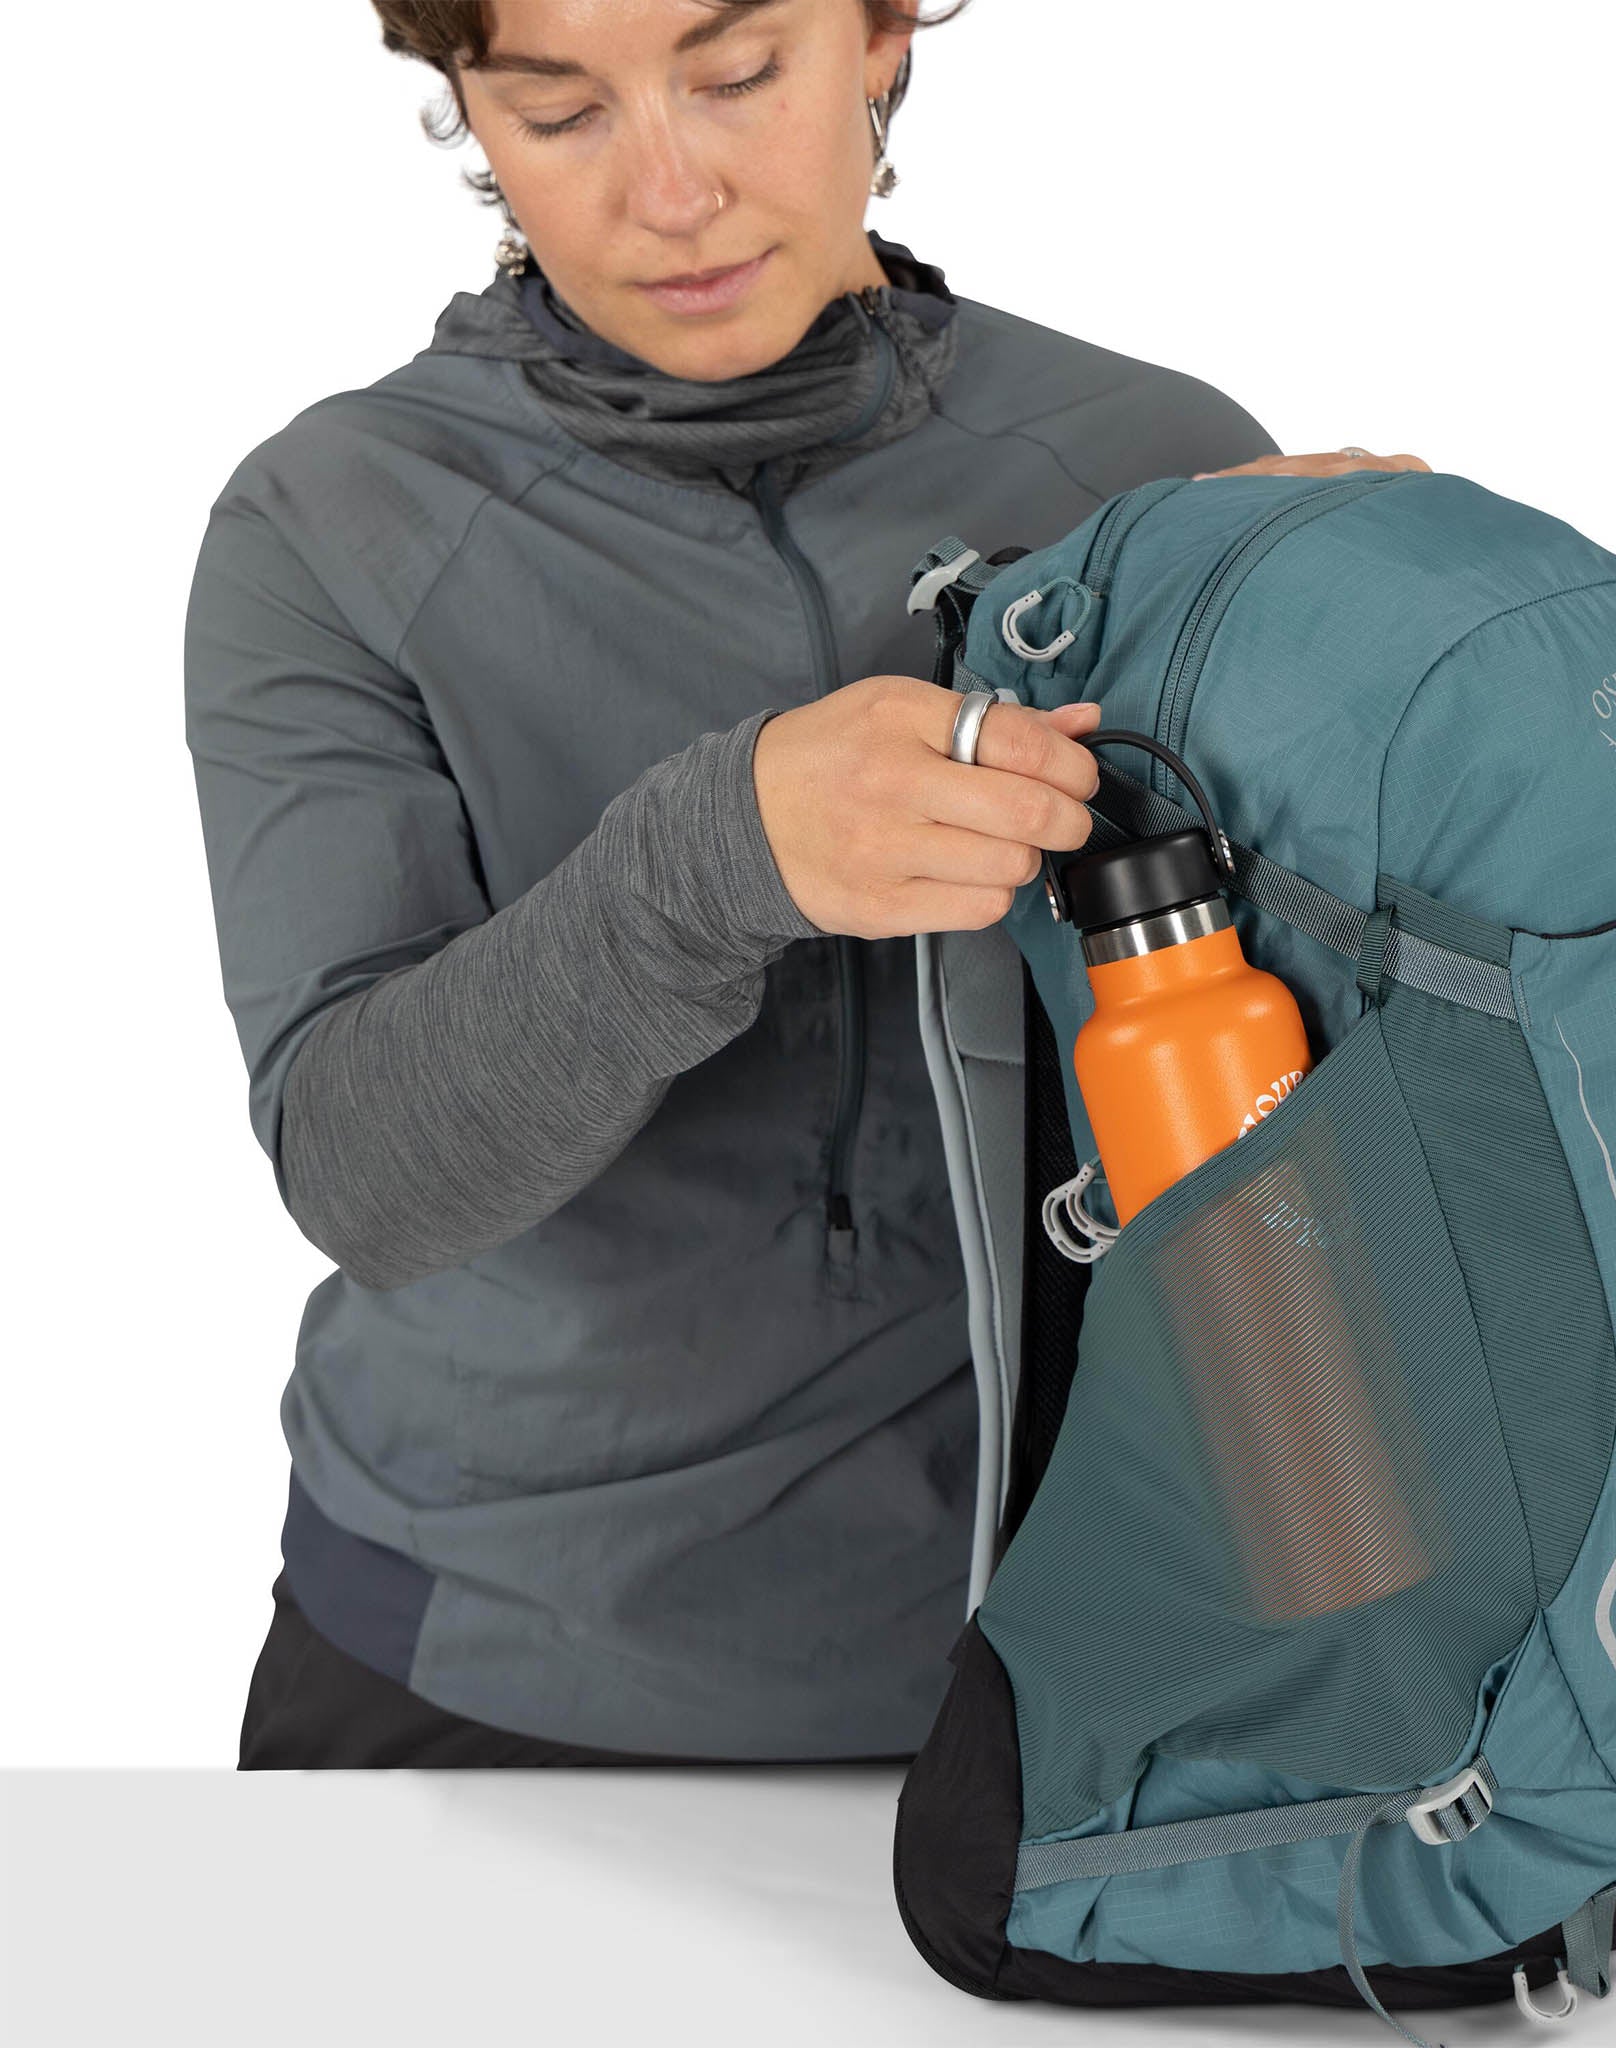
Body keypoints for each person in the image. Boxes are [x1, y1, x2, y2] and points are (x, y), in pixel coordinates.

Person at [185, 0, 1426, 1768]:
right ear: (465, 103)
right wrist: (713, 863)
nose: (670, 194)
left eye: (737, 75)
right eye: (559, 111)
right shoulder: (333, 522)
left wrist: (1410, 662)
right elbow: (363, 1176)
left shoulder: (1155, 466)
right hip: (483, 1672)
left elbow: (1325, 1142)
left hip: (1075, 1676)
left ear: (883, 33)